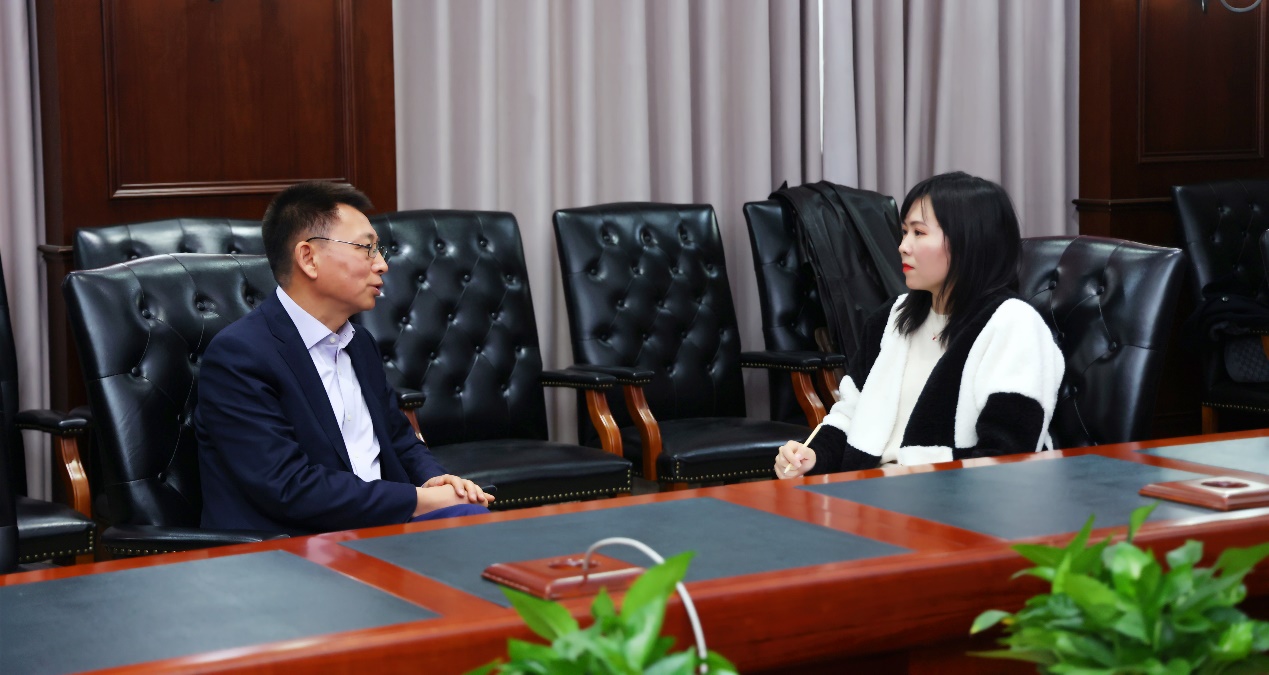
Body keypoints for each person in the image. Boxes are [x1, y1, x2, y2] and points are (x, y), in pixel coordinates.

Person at [197, 181, 492, 535]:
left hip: (380, 528)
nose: (382, 264)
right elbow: (289, 487)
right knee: (471, 527)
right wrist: (421, 500)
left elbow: (399, 438)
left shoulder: (359, 342)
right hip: (292, 545)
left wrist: (435, 481)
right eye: (366, 249)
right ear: (309, 258)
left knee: (473, 516)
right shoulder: (239, 356)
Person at [775, 171, 1064, 477]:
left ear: (968, 241)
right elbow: (849, 415)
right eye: (904, 232)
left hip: (951, 496)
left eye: (919, 232)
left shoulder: (1013, 324)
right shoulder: (891, 318)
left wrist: (909, 478)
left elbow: (1008, 456)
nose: (903, 246)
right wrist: (812, 456)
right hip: (870, 490)